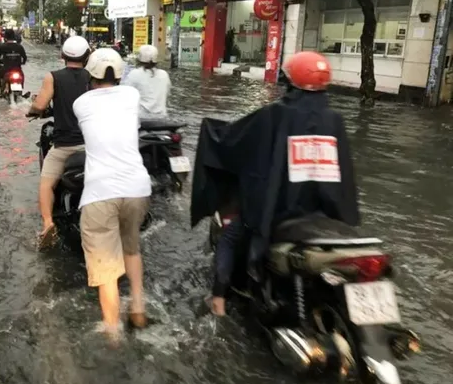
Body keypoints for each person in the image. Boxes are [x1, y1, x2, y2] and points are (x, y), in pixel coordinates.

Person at [190, 51, 360, 316]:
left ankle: (219, 301)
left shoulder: (274, 115)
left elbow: (234, 139)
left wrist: (210, 129)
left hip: (280, 209)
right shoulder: (334, 119)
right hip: (325, 212)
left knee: (230, 237)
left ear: (289, 81)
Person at [73, 48, 152, 334]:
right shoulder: (131, 96)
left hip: (100, 192)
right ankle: (139, 309)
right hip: (137, 187)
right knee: (131, 247)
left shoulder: (81, 103)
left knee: (106, 266)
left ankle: (112, 331)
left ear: (90, 74)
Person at [30, 36, 91, 243]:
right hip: (90, 146)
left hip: (64, 146)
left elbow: (39, 106)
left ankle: (47, 222)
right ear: (87, 56)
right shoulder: (93, 77)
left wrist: (32, 110)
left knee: (46, 184)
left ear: (62, 55)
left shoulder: (52, 77)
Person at [122, 45, 171, 119]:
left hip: (142, 119)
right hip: (162, 117)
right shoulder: (164, 74)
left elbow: (125, 96)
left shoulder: (134, 74)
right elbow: (167, 94)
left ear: (139, 59)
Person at [0, 28, 27, 97]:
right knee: (22, 76)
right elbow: (25, 57)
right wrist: (23, 62)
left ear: (5, 36)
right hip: (17, 69)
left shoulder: (3, 46)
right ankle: (21, 91)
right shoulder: (19, 46)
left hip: (6, 70)